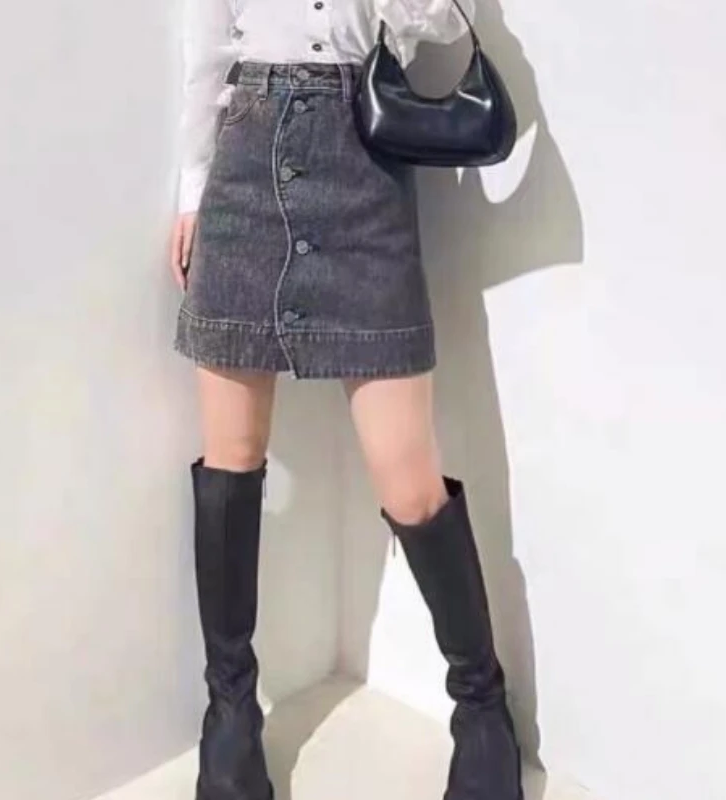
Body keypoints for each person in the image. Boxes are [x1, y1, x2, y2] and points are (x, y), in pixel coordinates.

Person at [168, 1, 522, 799]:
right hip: (244, 167)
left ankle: (481, 710)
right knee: (230, 461)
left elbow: (440, 23)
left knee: (409, 479)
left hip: (365, 161)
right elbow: (206, 53)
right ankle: (230, 716)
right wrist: (192, 191)